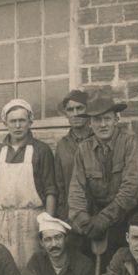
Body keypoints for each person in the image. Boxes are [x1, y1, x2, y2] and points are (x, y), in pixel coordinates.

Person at [68, 91, 138, 264]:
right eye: (97, 120)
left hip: (133, 217)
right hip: (99, 220)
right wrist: (83, 220)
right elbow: (76, 190)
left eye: (107, 119)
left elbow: (132, 189)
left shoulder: (131, 143)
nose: (102, 125)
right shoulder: (83, 150)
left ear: (116, 120)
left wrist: (104, 219)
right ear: (90, 123)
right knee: (76, 248)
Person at [0, 99, 57, 268]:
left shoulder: (41, 150)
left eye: (22, 120)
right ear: (5, 123)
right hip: (4, 221)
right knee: (7, 269)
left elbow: (50, 191)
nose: (18, 125)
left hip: (32, 220)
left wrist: (47, 226)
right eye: (13, 121)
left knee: (33, 268)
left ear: (30, 122)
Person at [54, 89, 90, 222]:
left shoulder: (98, 140)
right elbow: (59, 185)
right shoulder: (62, 145)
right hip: (71, 216)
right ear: (66, 114)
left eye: (79, 108)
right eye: (70, 110)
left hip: (96, 214)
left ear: (88, 110)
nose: (75, 114)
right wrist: (63, 214)